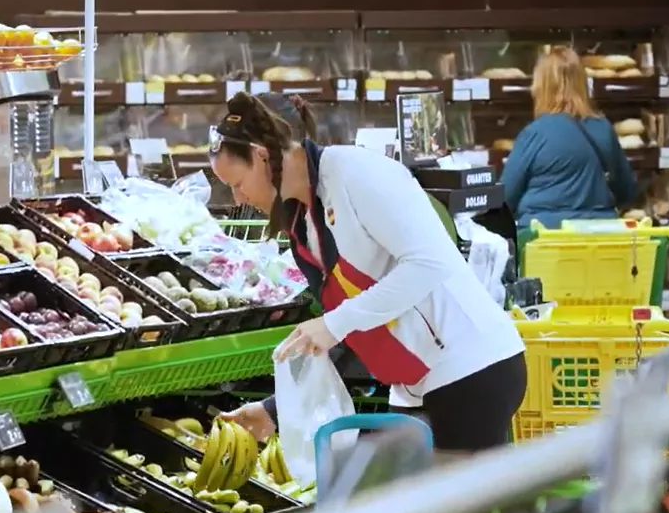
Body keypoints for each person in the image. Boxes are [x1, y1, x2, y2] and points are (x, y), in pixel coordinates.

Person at [210, 92, 527, 460]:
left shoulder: (356, 173)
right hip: (415, 381)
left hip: (470, 368)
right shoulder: (303, 219)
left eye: (237, 183)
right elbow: (352, 325)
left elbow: (429, 263)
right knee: (398, 491)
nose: (238, 198)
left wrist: (334, 324)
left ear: (262, 156)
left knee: (445, 498)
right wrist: (274, 409)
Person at [500, 46, 637, 229]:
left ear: (542, 88)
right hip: (600, 237)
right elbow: (627, 191)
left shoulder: (535, 134)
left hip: (544, 238)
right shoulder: (604, 129)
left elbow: (505, 199)